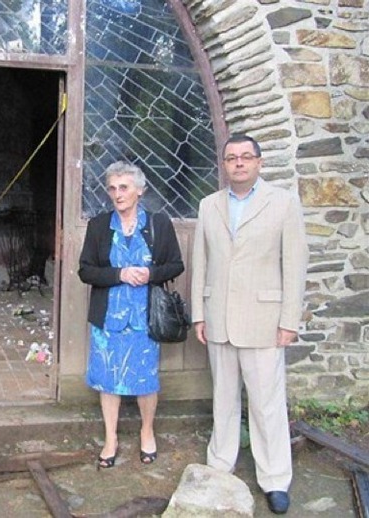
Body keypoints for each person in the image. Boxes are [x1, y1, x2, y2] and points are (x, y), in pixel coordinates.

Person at [191, 134, 309, 514]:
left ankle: (275, 479)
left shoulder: (283, 204)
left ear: (259, 162)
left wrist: (289, 320)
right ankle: (220, 466)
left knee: (266, 404)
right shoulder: (209, 205)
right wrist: (199, 313)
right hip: (219, 319)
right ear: (223, 165)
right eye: (231, 158)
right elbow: (201, 264)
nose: (238, 163)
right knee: (223, 400)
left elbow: (294, 266)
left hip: (264, 320)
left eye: (246, 157)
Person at [78, 161, 184, 469]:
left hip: (144, 318)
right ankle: (110, 438)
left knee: (145, 380)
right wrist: (119, 273)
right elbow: (85, 270)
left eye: (123, 187)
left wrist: (150, 273)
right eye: (112, 188)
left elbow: (176, 265)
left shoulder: (158, 224)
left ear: (140, 190)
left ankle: (146, 431)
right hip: (109, 318)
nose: (117, 194)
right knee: (108, 380)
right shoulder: (99, 226)